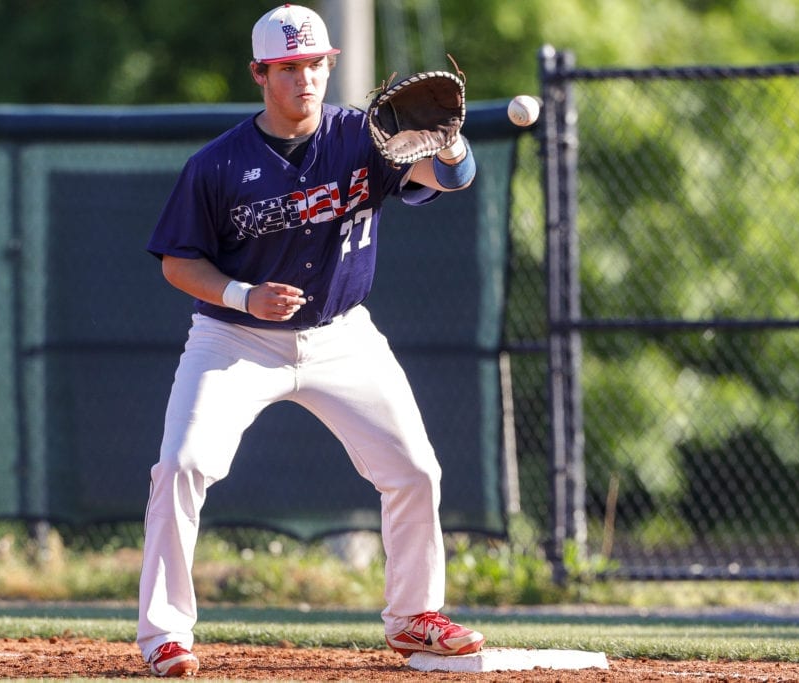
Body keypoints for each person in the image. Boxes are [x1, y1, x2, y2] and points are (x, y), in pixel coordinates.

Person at [137, 4, 483, 677]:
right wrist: (243, 295)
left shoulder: (366, 136)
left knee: (415, 470)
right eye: (289, 67)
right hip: (235, 338)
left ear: (332, 65)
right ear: (260, 74)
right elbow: (179, 261)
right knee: (180, 465)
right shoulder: (218, 163)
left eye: (316, 64)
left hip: (342, 335)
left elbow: (451, 180)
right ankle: (165, 635)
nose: (305, 78)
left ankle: (415, 616)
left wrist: (451, 144)